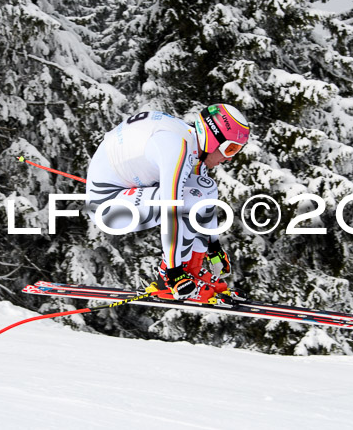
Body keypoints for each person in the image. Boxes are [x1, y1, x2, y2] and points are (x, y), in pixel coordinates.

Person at [85, 104, 250, 304]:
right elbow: (171, 210)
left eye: (237, 150)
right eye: (230, 148)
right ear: (212, 139)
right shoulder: (176, 149)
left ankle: (193, 271)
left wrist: (213, 247)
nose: (230, 157)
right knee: (191, 199)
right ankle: (169, 280)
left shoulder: (190, 140)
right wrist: (173, 272)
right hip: (107, 206)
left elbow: (206, 196)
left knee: (206, 187)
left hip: (123, 188)